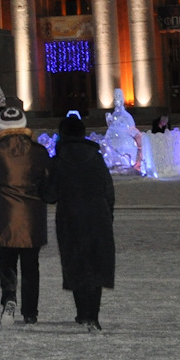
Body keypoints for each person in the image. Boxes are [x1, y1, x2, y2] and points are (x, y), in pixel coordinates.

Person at [0, 103, 51, 325]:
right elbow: (48, 175)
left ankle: (9, 298)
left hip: (4, 217)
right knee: (31, 266)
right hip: (32, 218)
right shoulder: (38, 152)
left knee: (6, 264)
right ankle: (30, 311)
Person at [47, 112, 115, 332]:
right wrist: (107, 214)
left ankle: (82, 313)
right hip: (98, 216)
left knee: (76, 264)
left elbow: (50, 195)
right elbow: (108, 189)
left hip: (70, 217)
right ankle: (93, 315)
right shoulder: (96, 158)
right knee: (95, 264)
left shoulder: (58, 161)